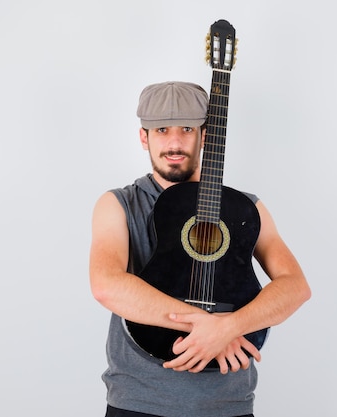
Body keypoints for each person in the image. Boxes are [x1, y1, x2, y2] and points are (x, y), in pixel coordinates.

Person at [89, 81, 311, 417]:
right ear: (143, 137)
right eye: (162, 130)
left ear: (205, 136)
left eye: (187, 129)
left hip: (228, 406)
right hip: (138, 403)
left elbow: (295, 286)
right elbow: (106, 285)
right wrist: (208, 326)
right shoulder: (119, 204)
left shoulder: (246, 208)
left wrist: (230, 326)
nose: (175, 142)